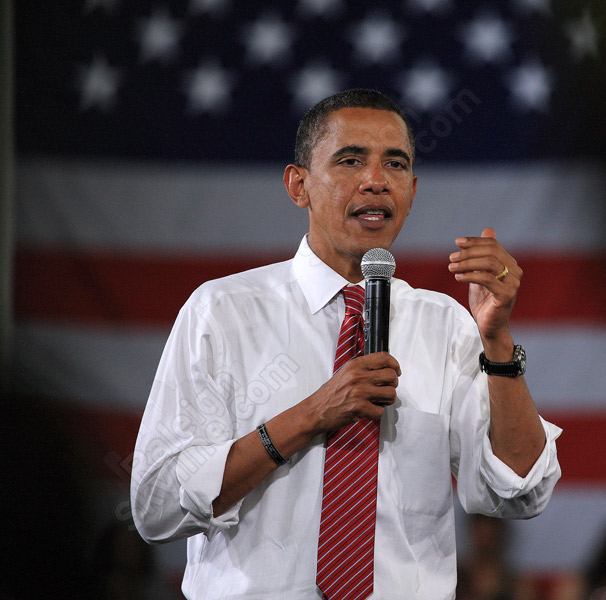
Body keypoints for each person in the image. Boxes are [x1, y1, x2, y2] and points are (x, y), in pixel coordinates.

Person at [130, 88, 562, 599]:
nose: (376, 181)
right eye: (351, 160)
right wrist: (309, 416)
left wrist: (497, 340)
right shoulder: (224, 312)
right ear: (299, 186)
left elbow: (520, 490)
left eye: (395, 164)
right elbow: (155, 506)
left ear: (413, 190)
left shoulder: (446, 324)